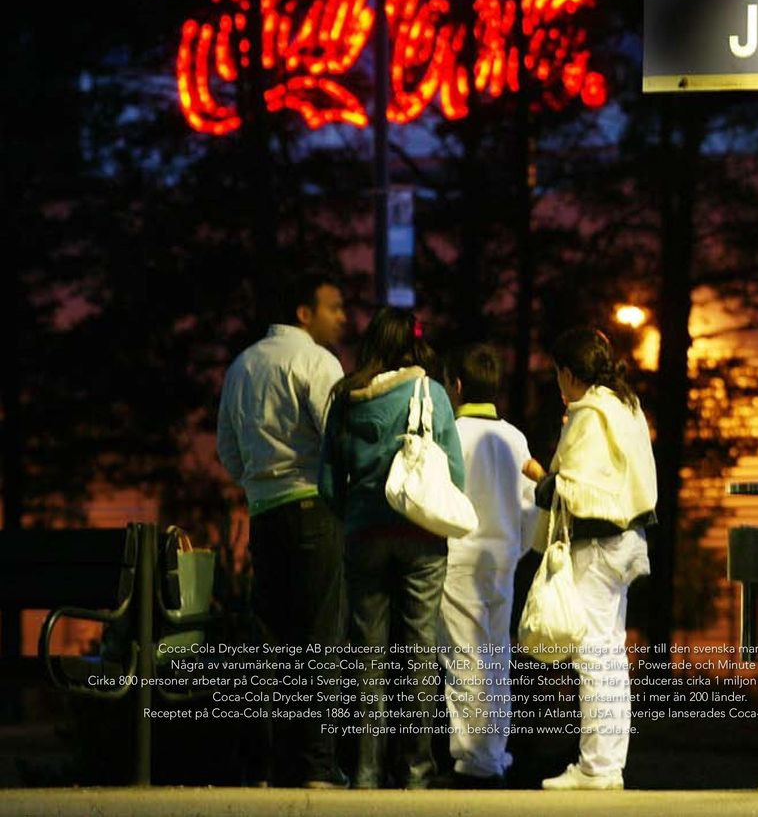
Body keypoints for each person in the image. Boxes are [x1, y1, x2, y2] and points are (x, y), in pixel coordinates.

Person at [319, 308, 465, 790]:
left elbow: (326, 483)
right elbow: (455, 475)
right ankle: (416, 769)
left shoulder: (345, 397)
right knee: (419, 651)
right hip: (421, 537)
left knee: (367, 654)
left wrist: (355, 514)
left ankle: (364, 770)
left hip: (364, 536)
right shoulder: (432, 394)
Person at [216, 270, 347, 789]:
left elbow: (228, 449)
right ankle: (314, 765)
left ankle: (266, 763)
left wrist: (257, 480)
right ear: (304, 312)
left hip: (264, 515)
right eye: (334, 308)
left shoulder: (241, 366)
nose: (342, 317)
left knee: (271, 641)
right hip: (314, 506)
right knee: (320, 639)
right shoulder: (317, 361)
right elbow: (336, 437)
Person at [524, 326, 657, 792]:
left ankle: (597, 768)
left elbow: (577, 493)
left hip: (597, 547)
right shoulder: (625, 407)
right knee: (609, 654)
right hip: (627, 542)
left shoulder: (590, 413)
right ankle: (607, 763)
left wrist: (540, 478)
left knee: (593, 655)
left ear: (567, 372)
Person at [438, 344, 537, 787]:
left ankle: (474, 761)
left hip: (459, 558)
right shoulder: (515, 439)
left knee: (464, 659)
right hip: (504, 561)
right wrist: (516, 548)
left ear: (455, 386)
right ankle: (493, 753)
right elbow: (530, 507)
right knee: (496, 659)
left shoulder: (450, 436)